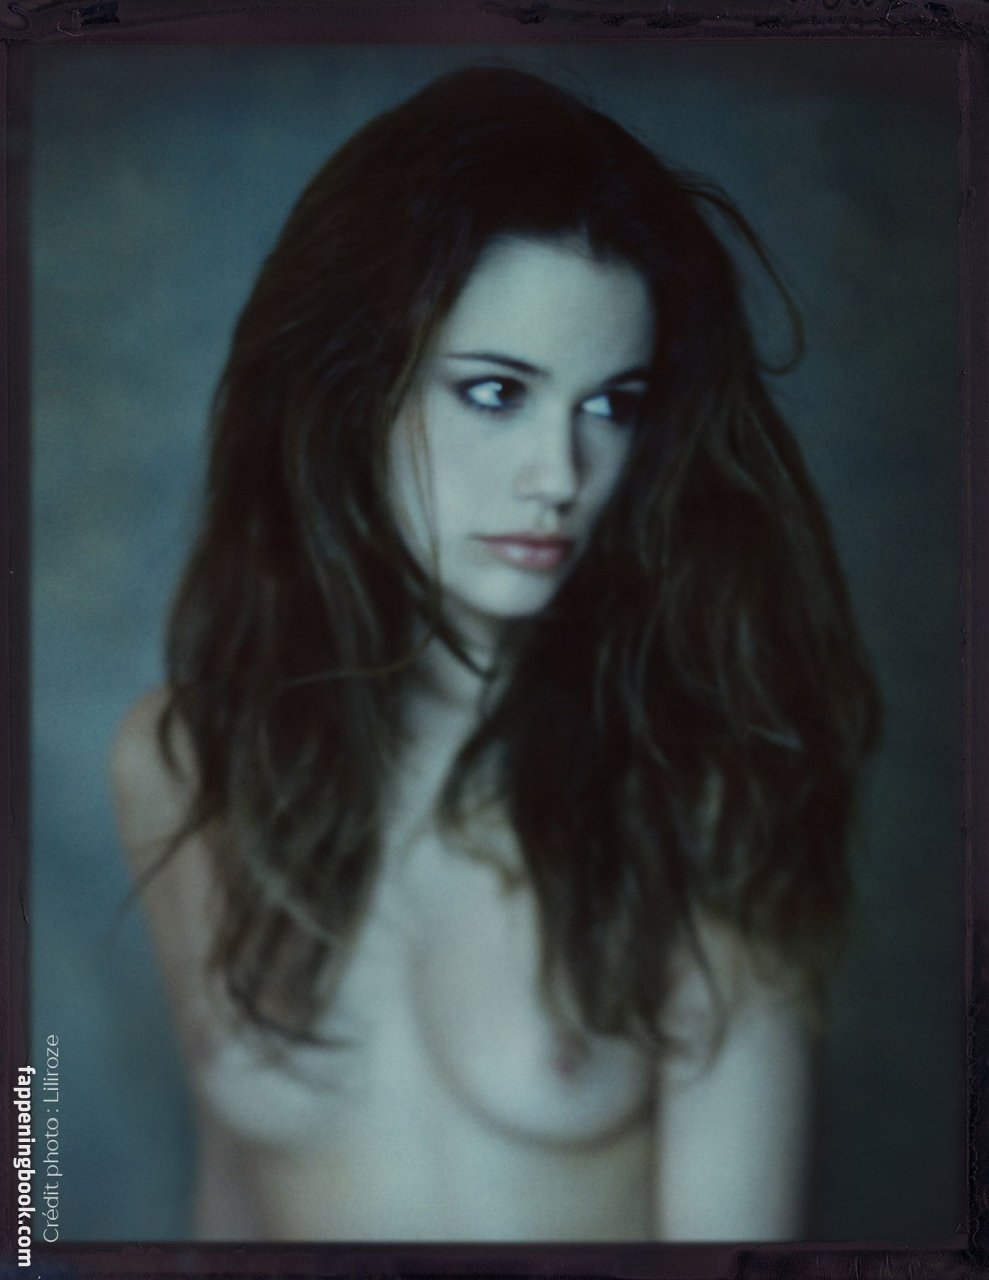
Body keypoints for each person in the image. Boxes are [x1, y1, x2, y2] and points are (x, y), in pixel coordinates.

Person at [110, 66, 879, 1242]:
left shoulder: (697, 780)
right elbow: (232, 1187)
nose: (559, 475)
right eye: (494, 391)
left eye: (610, 404)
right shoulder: (178, 758)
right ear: (351, 392)